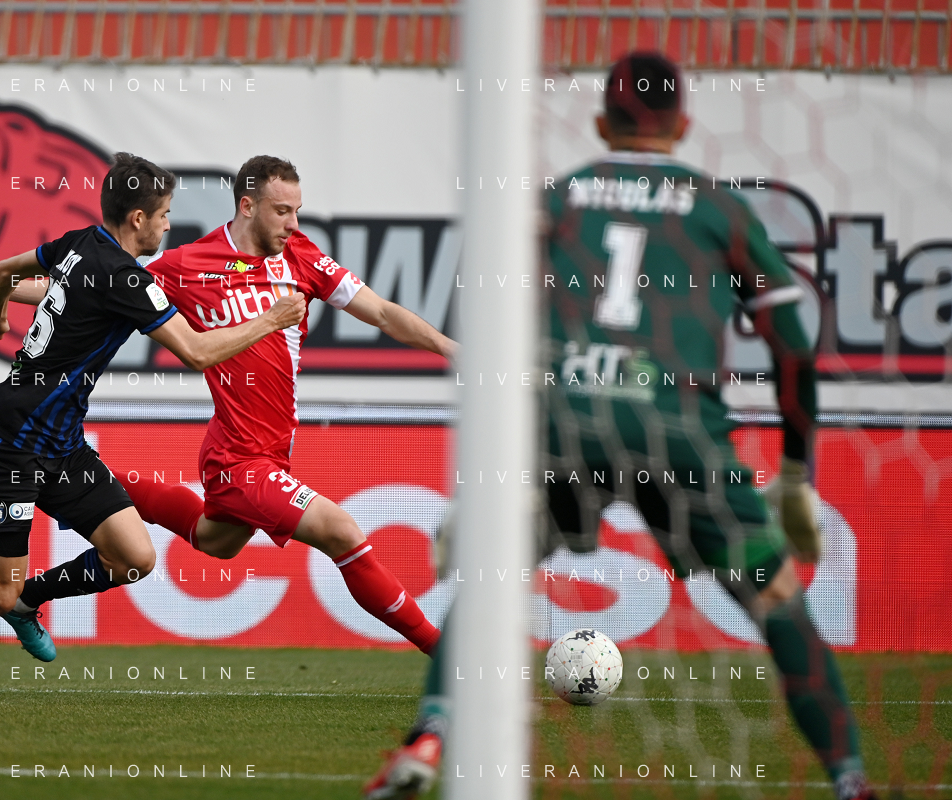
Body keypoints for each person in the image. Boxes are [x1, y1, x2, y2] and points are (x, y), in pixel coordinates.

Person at [364, 52, 875, 800]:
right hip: (679, 429)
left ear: (602, 123)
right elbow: (792, 348)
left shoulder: (556, 201)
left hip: (566, 422)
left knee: (493, 578)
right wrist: (795, 474)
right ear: (684, 124)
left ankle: (430, 735)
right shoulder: (720, 210)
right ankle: (850, 780)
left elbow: (491, 328)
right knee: (775, 600)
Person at [0, 155, 456, 655]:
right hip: (238, 458)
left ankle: (51, 557)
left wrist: (452, 349)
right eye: (282, 211)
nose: (293, 224)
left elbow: (383, 313)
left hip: (272, 448)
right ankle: (442, 651)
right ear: (248, 206)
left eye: (297, 211)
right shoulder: (189, 265)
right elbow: (91, 289)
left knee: (218, 541)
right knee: (341, 531)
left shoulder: (302, 257)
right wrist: (1, 289)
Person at [0, 153, 305, 700]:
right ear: (137, 218)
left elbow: (7, 270)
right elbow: (197, 352)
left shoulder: (80, 243)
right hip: (11, 444)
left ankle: (28, 601)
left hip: (62, 445)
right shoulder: (127, 279)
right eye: (164, 214)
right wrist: (271, 320)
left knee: (134, 558)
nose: (168, 225)